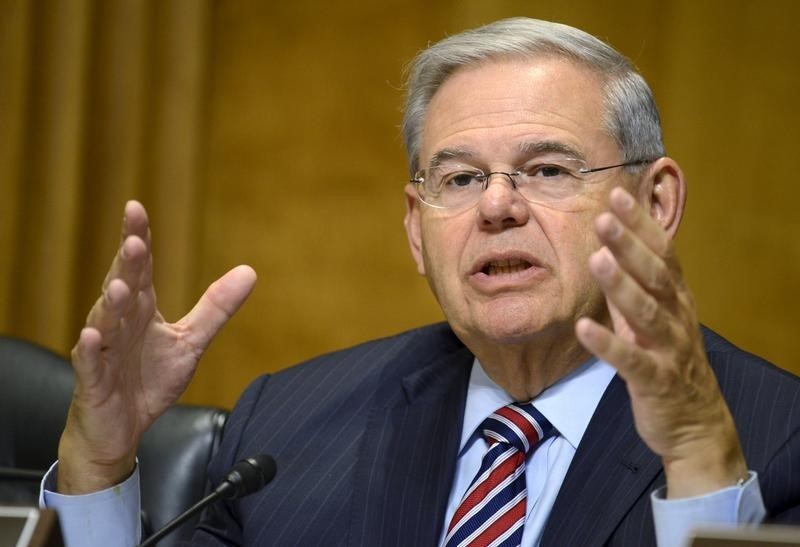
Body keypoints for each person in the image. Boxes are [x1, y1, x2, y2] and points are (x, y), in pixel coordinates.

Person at [41, 17, 799, 547]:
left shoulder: (779, 435)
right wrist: (96, 464)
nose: (498, 206)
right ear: (416, 227)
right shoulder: (286, 429)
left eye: (546, 169)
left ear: (656, 202)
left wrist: (701, 460)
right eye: (462, 177)